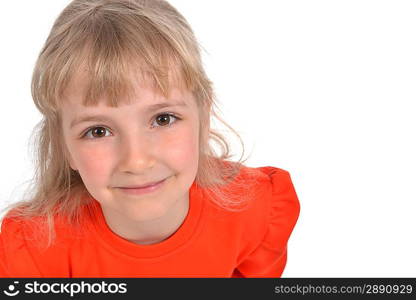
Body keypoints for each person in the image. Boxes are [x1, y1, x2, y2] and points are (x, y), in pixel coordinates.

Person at [0, 0, 300, 278]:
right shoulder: (33, 252)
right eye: (98, 131)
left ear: (203, 117)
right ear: (63, 145)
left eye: (163, 119)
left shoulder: (256, 211)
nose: (137, 161)